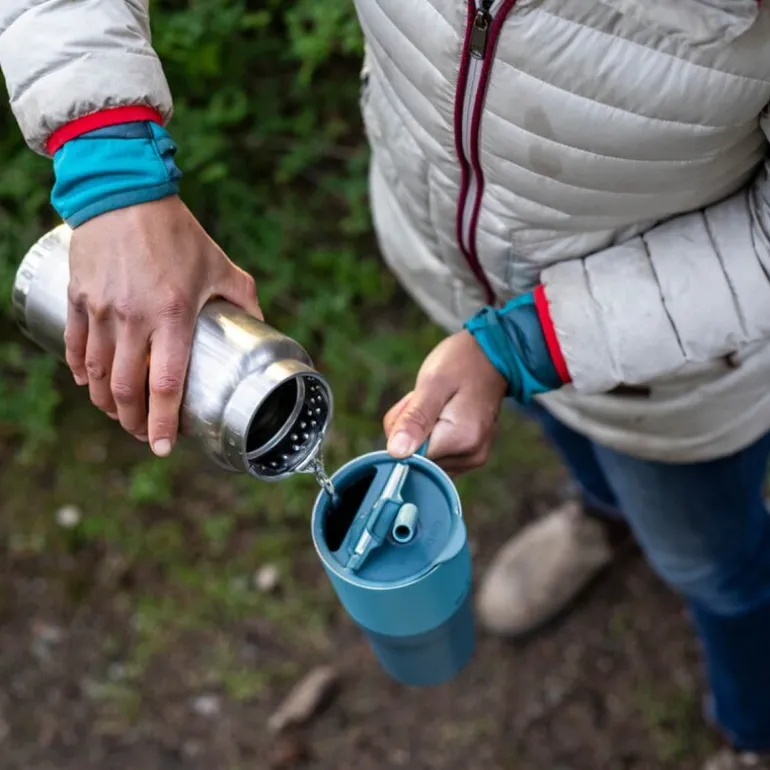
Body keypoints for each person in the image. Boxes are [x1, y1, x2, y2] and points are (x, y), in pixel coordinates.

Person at [2, 0, 770, 766]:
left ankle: (749, 726)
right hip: (456, 280)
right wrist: (108, 162)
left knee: (712, 561)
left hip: (676, 370)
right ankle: (601, 513)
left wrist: (526, 343)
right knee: (561, 427)